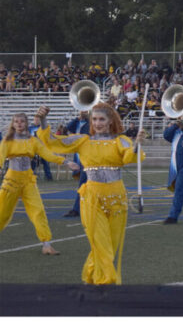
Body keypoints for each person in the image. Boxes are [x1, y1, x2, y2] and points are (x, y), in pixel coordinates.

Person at [37, 103, 146, 284]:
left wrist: (137, 145)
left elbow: (129, 157)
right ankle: (107, 282)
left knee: (110, 245)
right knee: (101, 244)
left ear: (110, 121)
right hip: (91, 198)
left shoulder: (121, 141)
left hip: (117, 199)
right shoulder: (83, 141)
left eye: (101, 119)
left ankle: (91, 276)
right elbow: (53, 141)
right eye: (94, 119)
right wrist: (42, 120)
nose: (97, 123)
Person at [0, 112, 77, 256]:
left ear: (26, 123)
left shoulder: (33, 141)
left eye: (22, 121)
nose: (19, 124)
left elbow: (47, 154)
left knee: (38, 211)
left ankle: (46, 245)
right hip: (11, 181)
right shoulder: (7, 141)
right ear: (13, 124)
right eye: (16, 121)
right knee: (2, 213)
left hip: (29, 181)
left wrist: (66, 162)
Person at [63, 110, 91, 218]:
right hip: (81, 154)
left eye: (85, 111)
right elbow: (68, 128)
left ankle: (79, 209)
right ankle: (77, 209)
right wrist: (77, 119)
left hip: (89, 155)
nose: (83, 112)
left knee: (86, 183)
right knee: (82, 183)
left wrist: (88, 118)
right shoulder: (78, 122)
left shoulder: (91, 123)